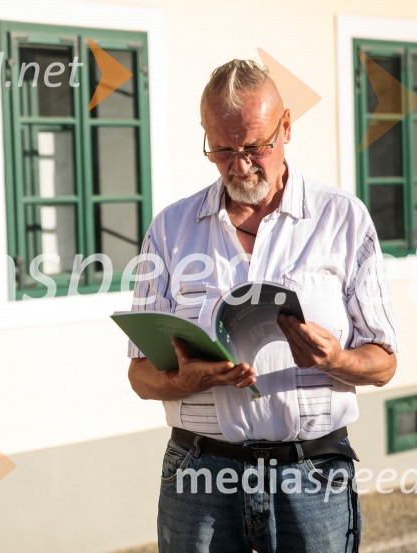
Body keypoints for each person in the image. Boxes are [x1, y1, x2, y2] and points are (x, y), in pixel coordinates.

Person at [126, 59, 398, 553]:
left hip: (310, 475)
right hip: (199, 475)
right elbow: (139, 375)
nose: (240, 164)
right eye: (222, 149)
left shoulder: (343, 219)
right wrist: (182, 381)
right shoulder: (169, 229)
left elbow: (384, 364)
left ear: (287, 126)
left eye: (254, 146)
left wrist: (336, 359)